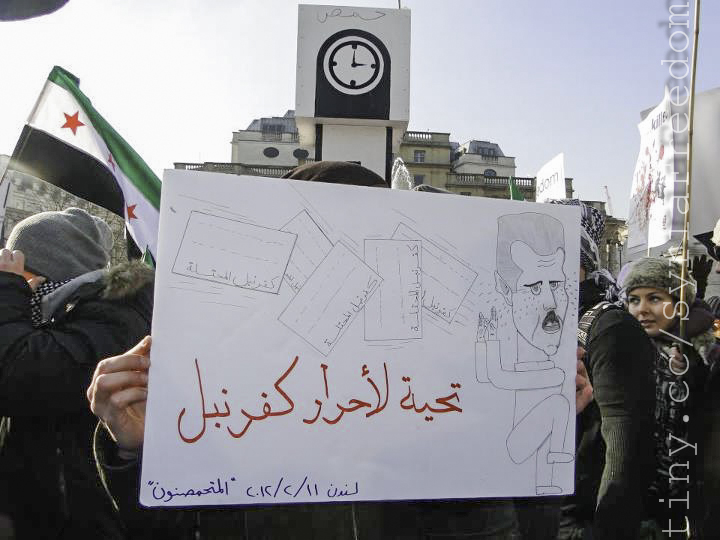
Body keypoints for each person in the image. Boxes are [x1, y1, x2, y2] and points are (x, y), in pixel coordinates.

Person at [87, 167, 595, 540]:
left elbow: (517, 527)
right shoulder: (232, 395)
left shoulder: (457, 388)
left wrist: (533, 434)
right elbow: (169, 528)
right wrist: (137, 451)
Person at [0, 207, 154, 539]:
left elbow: (16, 378)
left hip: (83, 521)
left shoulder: (112, 317)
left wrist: (6, 292)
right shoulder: (51, 321)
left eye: (18, 271)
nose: (16, 284)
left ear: (47, 273)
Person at [547, 199, 656, 540]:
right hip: (543, 515)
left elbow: (623, 447)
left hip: (581, 521)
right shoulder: (543, 320)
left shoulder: (609, 327)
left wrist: (604, 531)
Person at [619, 256, 719, 539]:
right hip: (637, 499)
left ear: (679, 303)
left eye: (654, 298)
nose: (642, 310)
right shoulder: (622, 350)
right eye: (634, 300)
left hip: (689, 502)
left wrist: (691, 376)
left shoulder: (705, 353)